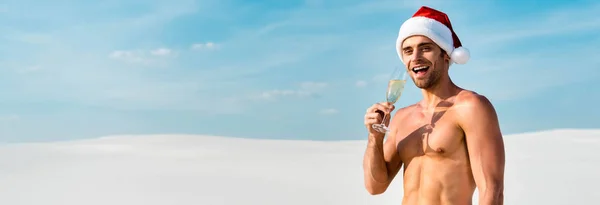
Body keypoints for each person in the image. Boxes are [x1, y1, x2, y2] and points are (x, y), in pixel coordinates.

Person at [362, 6, 505, 205]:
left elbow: (492, 190)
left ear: (445, 55)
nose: (415, 57)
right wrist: (374, 138)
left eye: (426, 48)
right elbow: (375, 187)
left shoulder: (470, 107)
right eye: (408, 51)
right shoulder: (402, 117)